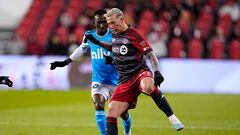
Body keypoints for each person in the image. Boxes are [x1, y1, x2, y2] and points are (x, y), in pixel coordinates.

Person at [85, 8, 184, 135]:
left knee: (147, 86)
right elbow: (114, 48)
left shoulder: (134, 34)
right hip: (125, 79)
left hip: (139, 72)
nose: (110, 26)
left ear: (121, 19)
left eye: (113, 22)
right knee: (111, 111)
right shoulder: (114, 34)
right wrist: (98, 42)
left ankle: (172, 118)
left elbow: (150, 55)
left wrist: (157, 72)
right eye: (108, 23)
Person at [50, 9, 132, 135]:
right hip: (99, 80)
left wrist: (114, 60)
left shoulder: (115, 35)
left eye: (104, 22)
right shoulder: (89, 35)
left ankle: (128, 131)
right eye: (99, 22)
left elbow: (124, 54)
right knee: (98, 104)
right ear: (94, 22)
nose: (102, 25)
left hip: (117, 80)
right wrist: (65, 62)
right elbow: (81, 49)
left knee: (123, 113)